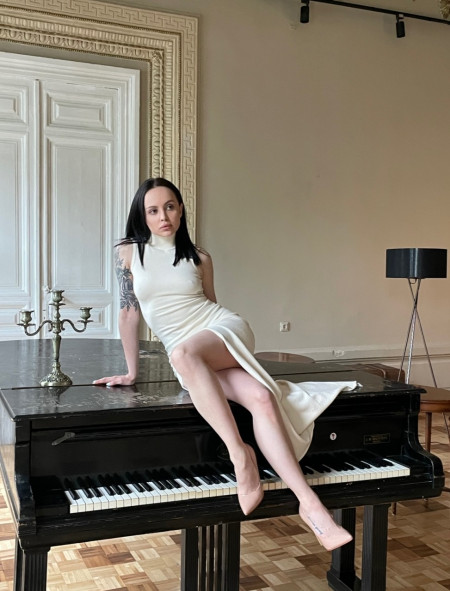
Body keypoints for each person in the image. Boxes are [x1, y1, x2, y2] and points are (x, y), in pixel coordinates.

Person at [94, 177, 354, 551]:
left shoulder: (199, 257)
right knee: (261, 396)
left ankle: (260, 469)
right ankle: (301, 498)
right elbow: (128, 313)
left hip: (222, 330)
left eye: (170, 206)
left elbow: (211, 304)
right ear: (142, 216)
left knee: (185, 355)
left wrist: (209, 347)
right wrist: (131, 372)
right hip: (188, 354)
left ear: (181, 210)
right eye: (153, 210)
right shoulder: (128, 252)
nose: (163, 216)